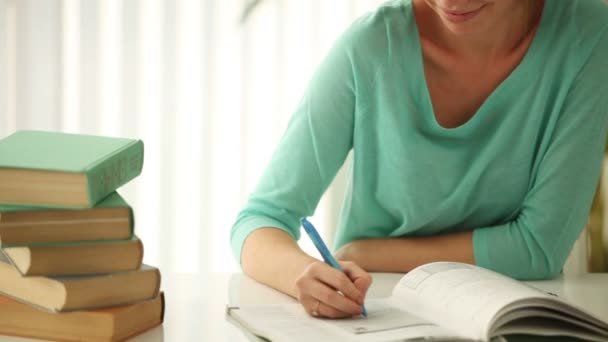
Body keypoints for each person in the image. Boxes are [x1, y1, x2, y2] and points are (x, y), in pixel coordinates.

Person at [231, 0, 608, 319]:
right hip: (378, 314)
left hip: (514, 316)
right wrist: (306, 274)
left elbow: (538, 248)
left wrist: (367, 252)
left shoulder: (590, 31)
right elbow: (260, 219)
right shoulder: (371, 46)